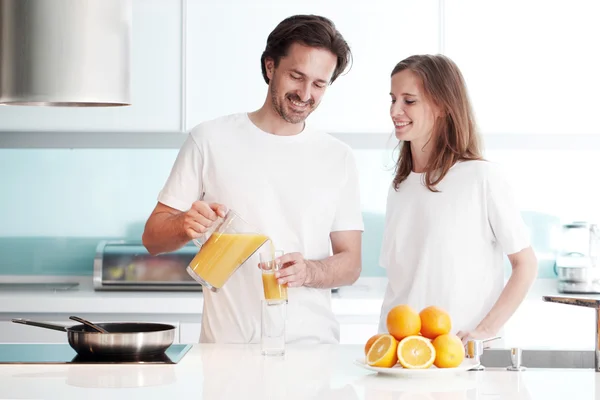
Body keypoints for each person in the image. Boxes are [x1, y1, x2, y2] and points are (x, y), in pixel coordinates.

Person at [142, 15, 364, 344]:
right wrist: (183, 224)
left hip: (311, 352)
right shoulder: (210, 139)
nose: (305, 94)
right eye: (296, 76)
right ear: (270, 66)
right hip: (226, 353)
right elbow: (152, 238)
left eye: (319, 84)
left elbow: (351, 263)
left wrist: (310, 272)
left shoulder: (338, 157)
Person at [378, 54, 538, 344]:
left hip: (462, 358)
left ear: (441, 106)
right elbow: (402, 283)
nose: (395, 110)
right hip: (401, 356)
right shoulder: (399, 187)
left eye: (409, 101)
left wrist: (485, 331)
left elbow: (525, 264)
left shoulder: (482, 178)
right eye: (393, 99)